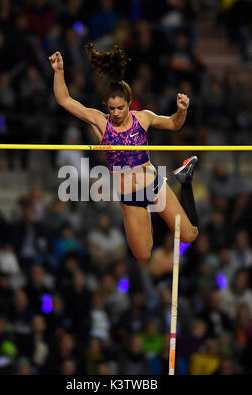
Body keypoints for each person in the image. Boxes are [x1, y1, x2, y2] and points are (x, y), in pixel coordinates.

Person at [49, 44, 198, 261]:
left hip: (154, 184)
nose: (116, 113)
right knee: (143, 254)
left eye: (120, 108)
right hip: (130, 196)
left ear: (129, 103)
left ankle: (185, 180)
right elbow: (65, 100)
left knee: (189, 235)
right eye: (111, 108)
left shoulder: (143, 117)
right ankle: (147, 214)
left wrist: (181, 111)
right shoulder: (101, 122)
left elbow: (174, 124)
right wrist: (59, 72)